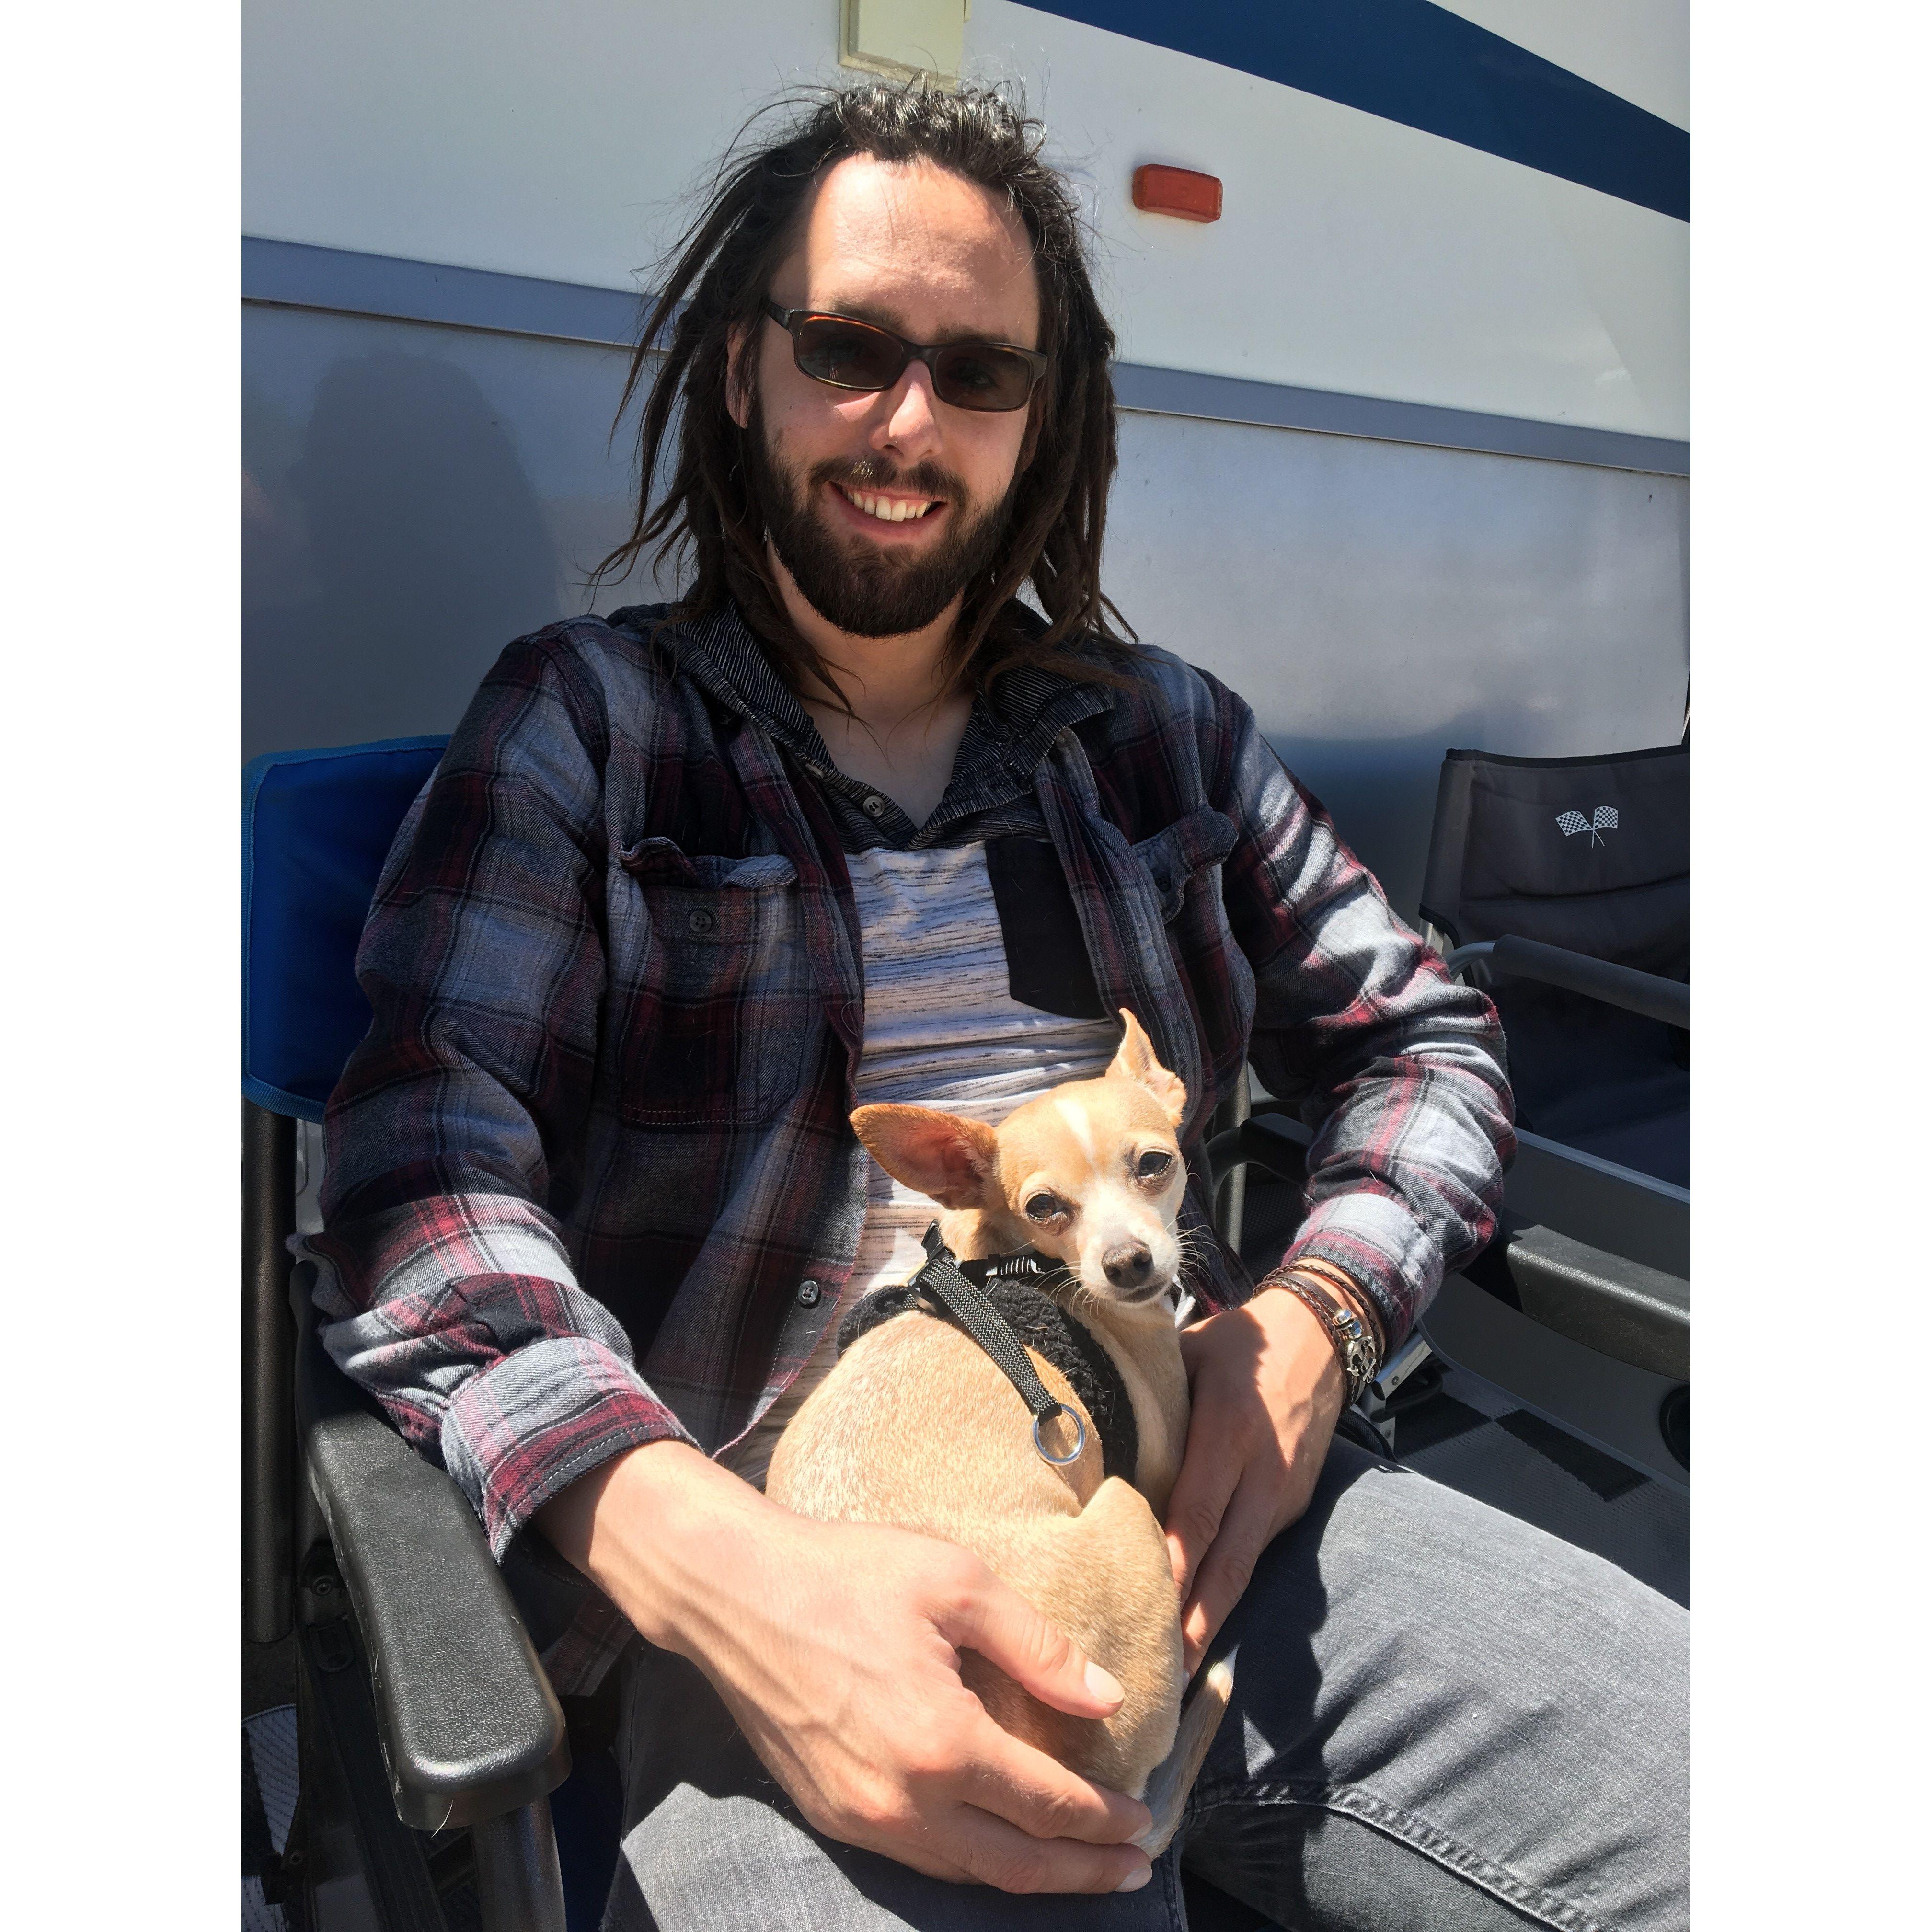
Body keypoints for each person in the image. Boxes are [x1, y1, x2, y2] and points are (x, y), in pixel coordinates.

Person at [310, 84, 1688, 1932]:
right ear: (746, 372)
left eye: (978, 374)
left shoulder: (1157, 736)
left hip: (1211, 1525)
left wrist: (1313, 1325)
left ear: (1044, 420)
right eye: (850, 348)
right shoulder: (589, 732)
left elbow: (1420, 1038)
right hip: (783, 1614)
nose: (905, 422)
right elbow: (423, 1182)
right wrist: (711, 1571)